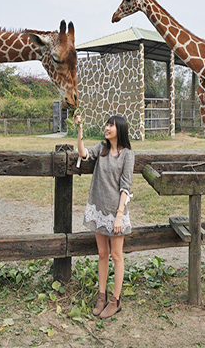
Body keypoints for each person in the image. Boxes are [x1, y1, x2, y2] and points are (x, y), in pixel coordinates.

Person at [75, 114, 135, 319]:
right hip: (98, 209)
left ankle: (115, 300)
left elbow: (126, 187)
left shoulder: (127, 154)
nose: (107, 128)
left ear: (120, 129)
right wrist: (80, 129)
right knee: (102, 253)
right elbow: (83, 152)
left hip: (115, 212)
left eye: (111, 125)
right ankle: (102, 296)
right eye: (107, 124)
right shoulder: (101, 149)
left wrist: (119, 216)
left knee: (117, 256)